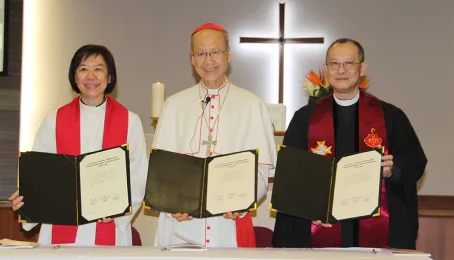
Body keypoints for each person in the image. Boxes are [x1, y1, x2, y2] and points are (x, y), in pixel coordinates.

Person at [272, 38, 427, 250]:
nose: (341, 70)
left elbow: (415, 161)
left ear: (362, 68)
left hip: (377, 227)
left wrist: (394, 169)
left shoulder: (391, 116)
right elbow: (290, 175)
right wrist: (308, 209)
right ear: (326, 69)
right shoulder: (305, 119)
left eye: (349, 63)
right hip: (320, 226)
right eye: (334, 64)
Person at [152, 23, 277, 248]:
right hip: (180, 227)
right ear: (192, 59)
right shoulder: (174, 105)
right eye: (200, 53)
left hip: (228, 226)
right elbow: (160, 172)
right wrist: (171, 207)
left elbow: (260, 169)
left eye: (215, 52)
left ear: (228, 54)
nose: (208, 61)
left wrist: (242, 203)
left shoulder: (251, 104)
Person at [9, 44, 148, 246]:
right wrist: (27, 198)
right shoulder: (53, 121)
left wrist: (117, 210)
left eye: (98, 69)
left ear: (110, 77)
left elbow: (139, 176)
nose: (91, 76)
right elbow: (39, 173)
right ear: (74, 77)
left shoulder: (130, 121)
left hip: (109, 227)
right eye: (83, 69)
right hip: (60, 228)